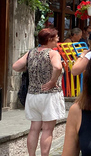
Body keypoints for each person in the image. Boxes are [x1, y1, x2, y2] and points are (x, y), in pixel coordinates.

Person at [13, 28, 64, 156]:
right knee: (47, 129)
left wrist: (28, 68)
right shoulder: (53, 53)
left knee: (34, 128)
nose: (58, 39)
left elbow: (16, 66)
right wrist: (52, 81)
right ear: (49, 39)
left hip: (33, 95)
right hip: (49, 95)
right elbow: (58, 67)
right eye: (56, 37)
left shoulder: (31, 53)